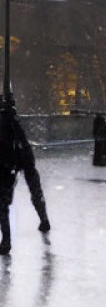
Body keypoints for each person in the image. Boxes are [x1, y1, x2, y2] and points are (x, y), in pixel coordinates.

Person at [0, 105, 50, 256]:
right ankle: (44, 219)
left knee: (2, 204)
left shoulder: (5, 121)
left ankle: (6, 241)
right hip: (22, 158)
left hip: (9, 163)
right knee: (35, 191)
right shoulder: (13, 120)